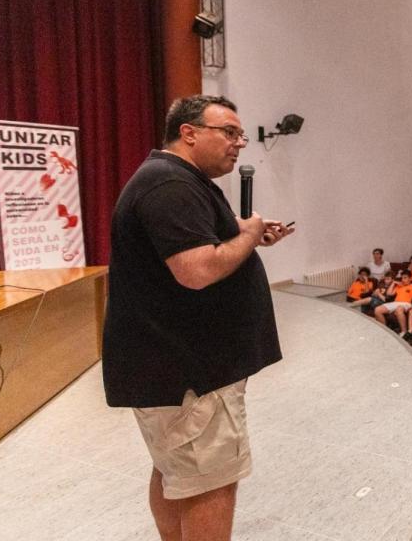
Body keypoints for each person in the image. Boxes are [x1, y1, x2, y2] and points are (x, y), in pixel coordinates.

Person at [103, 95, 294, 541]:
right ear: (189, 132)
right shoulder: (170, 186)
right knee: (208, 483)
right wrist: (246, 234)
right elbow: (198, 269)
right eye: (229, 132)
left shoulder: (173, 180)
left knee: (176, 473)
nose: (239, 143)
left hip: (174, 367)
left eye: (241, 135)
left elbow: (197, 251)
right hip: (191, 372)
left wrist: (248, 238)